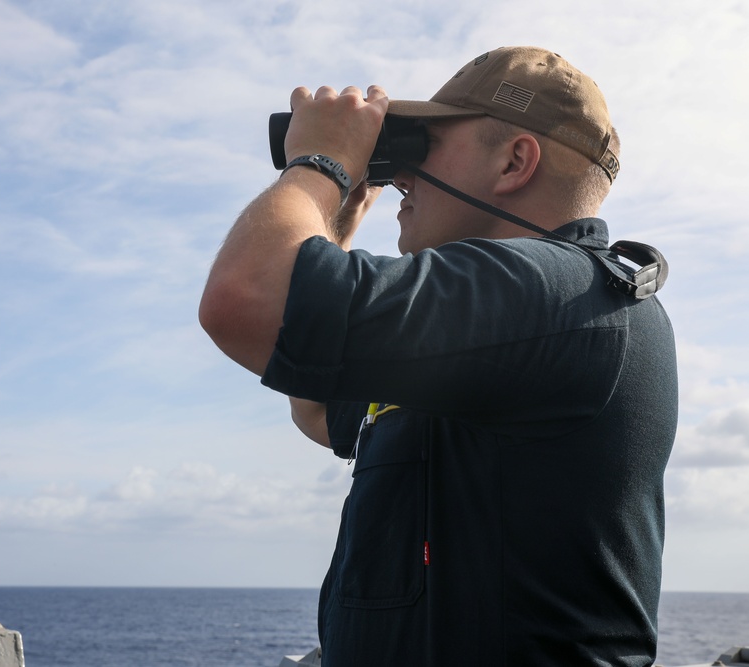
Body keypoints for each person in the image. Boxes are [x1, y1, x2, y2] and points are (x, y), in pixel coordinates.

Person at [199, 46, 678, 667]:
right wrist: (336, 220)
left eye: (426, 144)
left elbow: (246, 299)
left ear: (514, 161)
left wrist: (319, 164)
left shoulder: (554, 295)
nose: (402, 175)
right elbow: (318, 408)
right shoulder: (506, 326)